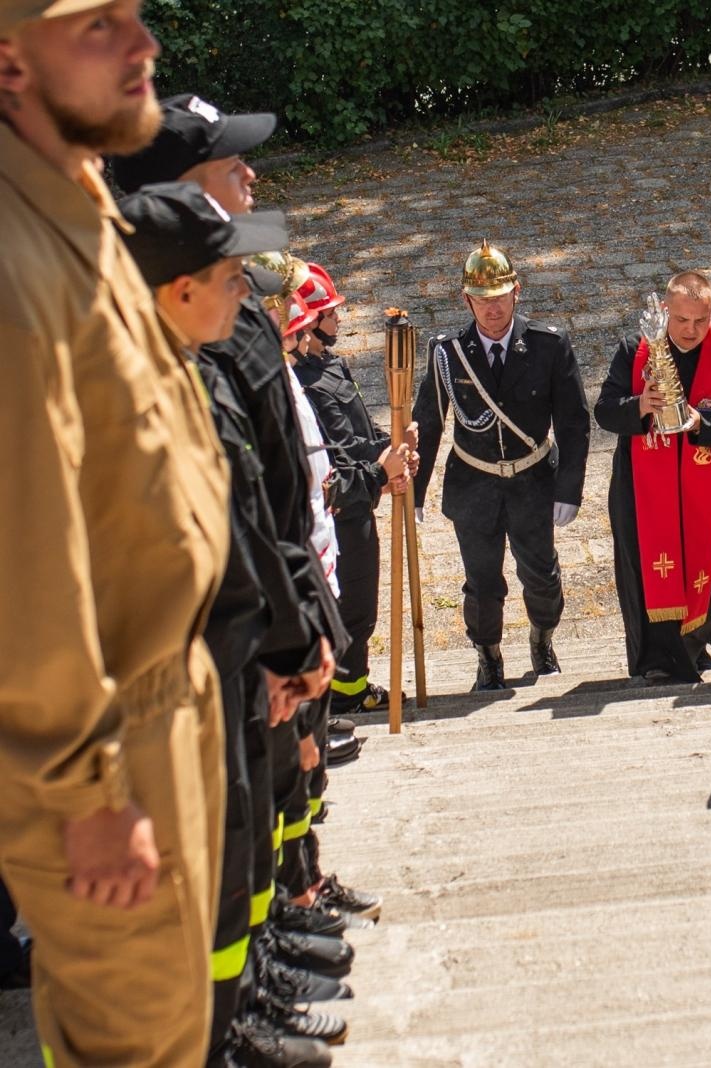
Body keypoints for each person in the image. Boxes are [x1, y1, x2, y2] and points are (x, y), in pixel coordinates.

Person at [0, 4, 231, 1064]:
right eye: (100, 27)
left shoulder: (78, 195)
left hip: (164, 702)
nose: (143, 46)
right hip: (95, 755)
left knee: (172, 1036)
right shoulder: (13, 267)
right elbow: (24, 563)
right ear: (10, 61)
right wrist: (86, 794)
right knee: (131, 1048)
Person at [118, 184, 348, 1063]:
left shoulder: (195, 364)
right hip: (182, 677)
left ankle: (243, 1001)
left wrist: (291, 632)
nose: (249, 298)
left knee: (240, 845)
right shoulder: (150, 387)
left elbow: (262, 507)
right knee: (204, 871)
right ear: (179, 288)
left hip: (238, 650)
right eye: (231, 279)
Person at [413, 240, 592, 691]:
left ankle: (542, 639)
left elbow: (573, 422)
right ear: (465, 299)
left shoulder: (549, 346)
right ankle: (487, 655)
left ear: (517, 293)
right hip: (473, 486)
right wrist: (413, 492)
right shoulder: (447, 353)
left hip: (532, 481)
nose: (491, 310)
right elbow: (428, 423)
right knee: (480, 583)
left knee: (542, 577)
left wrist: (569, 489)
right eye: (481, 300)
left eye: (499, 298)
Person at [596, 271, 711, 683]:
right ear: (665, 311)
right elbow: (605, 410)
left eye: (700, 321)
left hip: (709, 484)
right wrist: (640, 406)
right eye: (681, 320)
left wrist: (705, 424)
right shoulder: (635, 349)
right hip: (642, 486)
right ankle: (654, 658)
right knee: (644, 566)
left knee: (709, 564)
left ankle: (695, 646)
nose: (690, 330)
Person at [293, 261, 415, 721]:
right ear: (309, 321)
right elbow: (328, 468)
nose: (339, 319)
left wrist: (392, 444)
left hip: (359, 509)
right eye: (330, 313)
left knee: (361, 611)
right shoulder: (301, 385)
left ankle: (353, 688)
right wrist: (379, 474)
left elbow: (355, 437)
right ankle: (338, 699)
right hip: (339, 517)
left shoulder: (331, 366)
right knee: (345, 613)